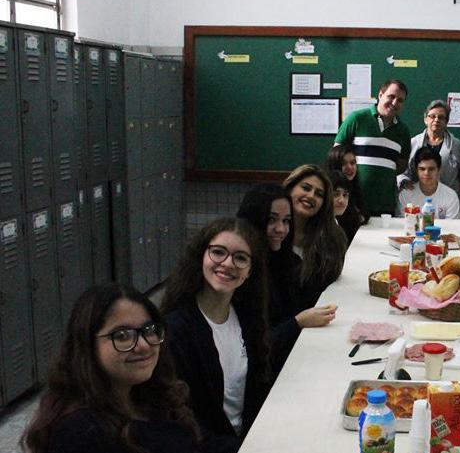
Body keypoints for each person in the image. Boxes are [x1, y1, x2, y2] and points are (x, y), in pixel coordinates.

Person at [22, 283, 205, 453]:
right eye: (123, 335)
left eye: (149, 330)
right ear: (88, 345)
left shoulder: (152, 396)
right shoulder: (79, 433)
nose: (143, 345)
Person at [161, 218, 270, 444]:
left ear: (249, 271)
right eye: (218, 252)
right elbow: (183, 421)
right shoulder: (177, 329)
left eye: (240, 258)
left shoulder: (247, 318)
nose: (228, 263)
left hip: (249, 437)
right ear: (201, 256)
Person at [236, 184, 337, 374]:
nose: (281, 229)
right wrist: (297, 323)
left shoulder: (288, 261)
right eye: (272, 220)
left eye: (286, 221)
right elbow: (248, 347)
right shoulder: (240, 273)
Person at [334, 79, 412, 216]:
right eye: (391, 96)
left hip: (385, 205)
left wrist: (381, 174)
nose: (394, 103)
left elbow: (401, 164)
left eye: (400, 100)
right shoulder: (357, 119)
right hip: (352, 203)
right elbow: (336, 156)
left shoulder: (403, 131)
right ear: (380, 95)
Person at [283, 164, 347, 310]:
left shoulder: (332, 238)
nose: (311, 195)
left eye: (319, 194)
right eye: (305, 188)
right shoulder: (272, 234)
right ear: (289, 189)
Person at [398, 99, 460, 200]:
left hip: (447, 199)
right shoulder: (413, 143)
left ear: (446, 122)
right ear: (425, 119)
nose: (436, 120)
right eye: (432, 116)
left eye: (441, 117)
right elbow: (402, 171)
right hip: (416, 197)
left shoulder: (456, 145)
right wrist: (403, 180)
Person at [396, 147, 460, 219]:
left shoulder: (451, 196)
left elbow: (451, 227)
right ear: (416, 170)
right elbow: (404, 225)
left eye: (431, 169)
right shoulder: (405, 195)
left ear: (439, 170)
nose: (426, 173)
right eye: (422, 169)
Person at [327, 170, 365, 243]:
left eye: (345, 195)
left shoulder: (334, 222)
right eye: (335, 194)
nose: (341, 200)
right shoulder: (320, 228)